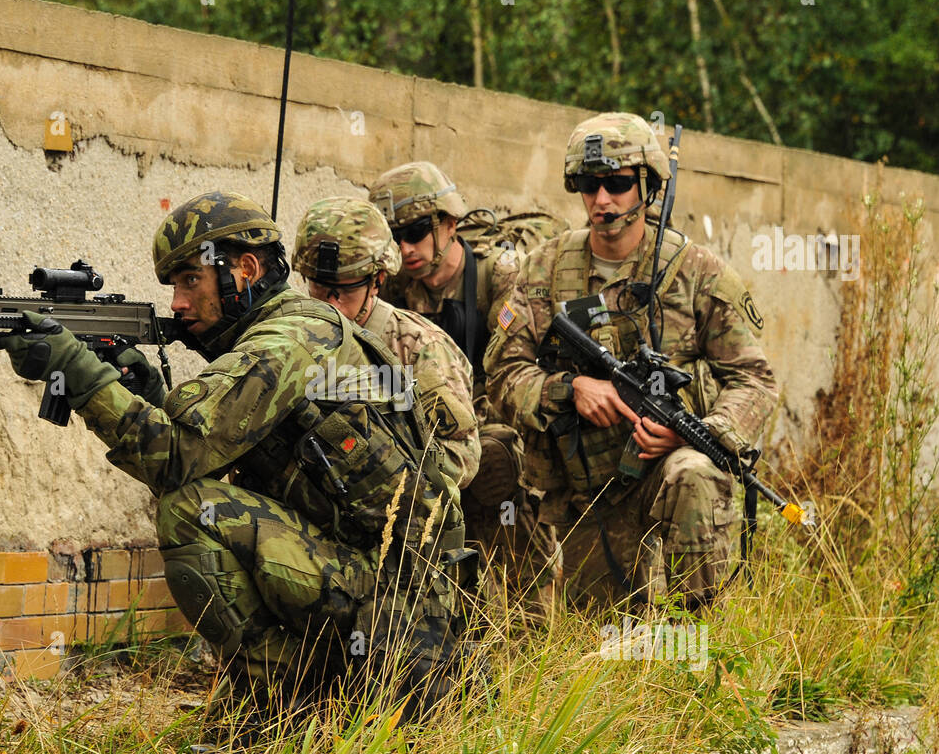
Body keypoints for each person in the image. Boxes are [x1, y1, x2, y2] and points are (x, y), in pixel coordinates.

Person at [0, 191, 470, 710]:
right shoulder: (287, 332)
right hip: (376, 585)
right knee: (204, 499)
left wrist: (80, 375)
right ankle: (307, 697)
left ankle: (279, 711)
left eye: (190, 280)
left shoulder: (290, 340)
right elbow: (207, 451)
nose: (177, 303)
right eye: (175, 286)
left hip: (400, 618)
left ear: (244, 268)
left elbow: (174, 459)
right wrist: (142, 389)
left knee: (192, 512)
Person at [484, 112, 777, 610]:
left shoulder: (696, 274)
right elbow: (504, 374)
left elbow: (754, 378)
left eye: (618, 184)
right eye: (588, 184)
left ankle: (699, 642)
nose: (602, 200)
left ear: (648, 185)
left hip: (666, 466)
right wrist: (567, 390)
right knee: (601, 642)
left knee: (695, 474)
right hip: (588, 489)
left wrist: (700, 431)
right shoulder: (545, 269)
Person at [369, 163, 558, 612]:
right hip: (423, 429)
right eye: (394, 236)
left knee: (493, 467)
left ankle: (529, 621)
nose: (405, 248)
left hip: (497, 423)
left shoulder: (500, 276)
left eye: (416, 231)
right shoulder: (393, 285)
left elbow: (514, 370)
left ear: (449, 225)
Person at [292, 196, 480, 493]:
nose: (332, 304)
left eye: (346, 291)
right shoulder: (294, 337)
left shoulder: (417, 346)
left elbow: (462, 456)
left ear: (377, 280)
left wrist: (380, 467)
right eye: (320, 287)